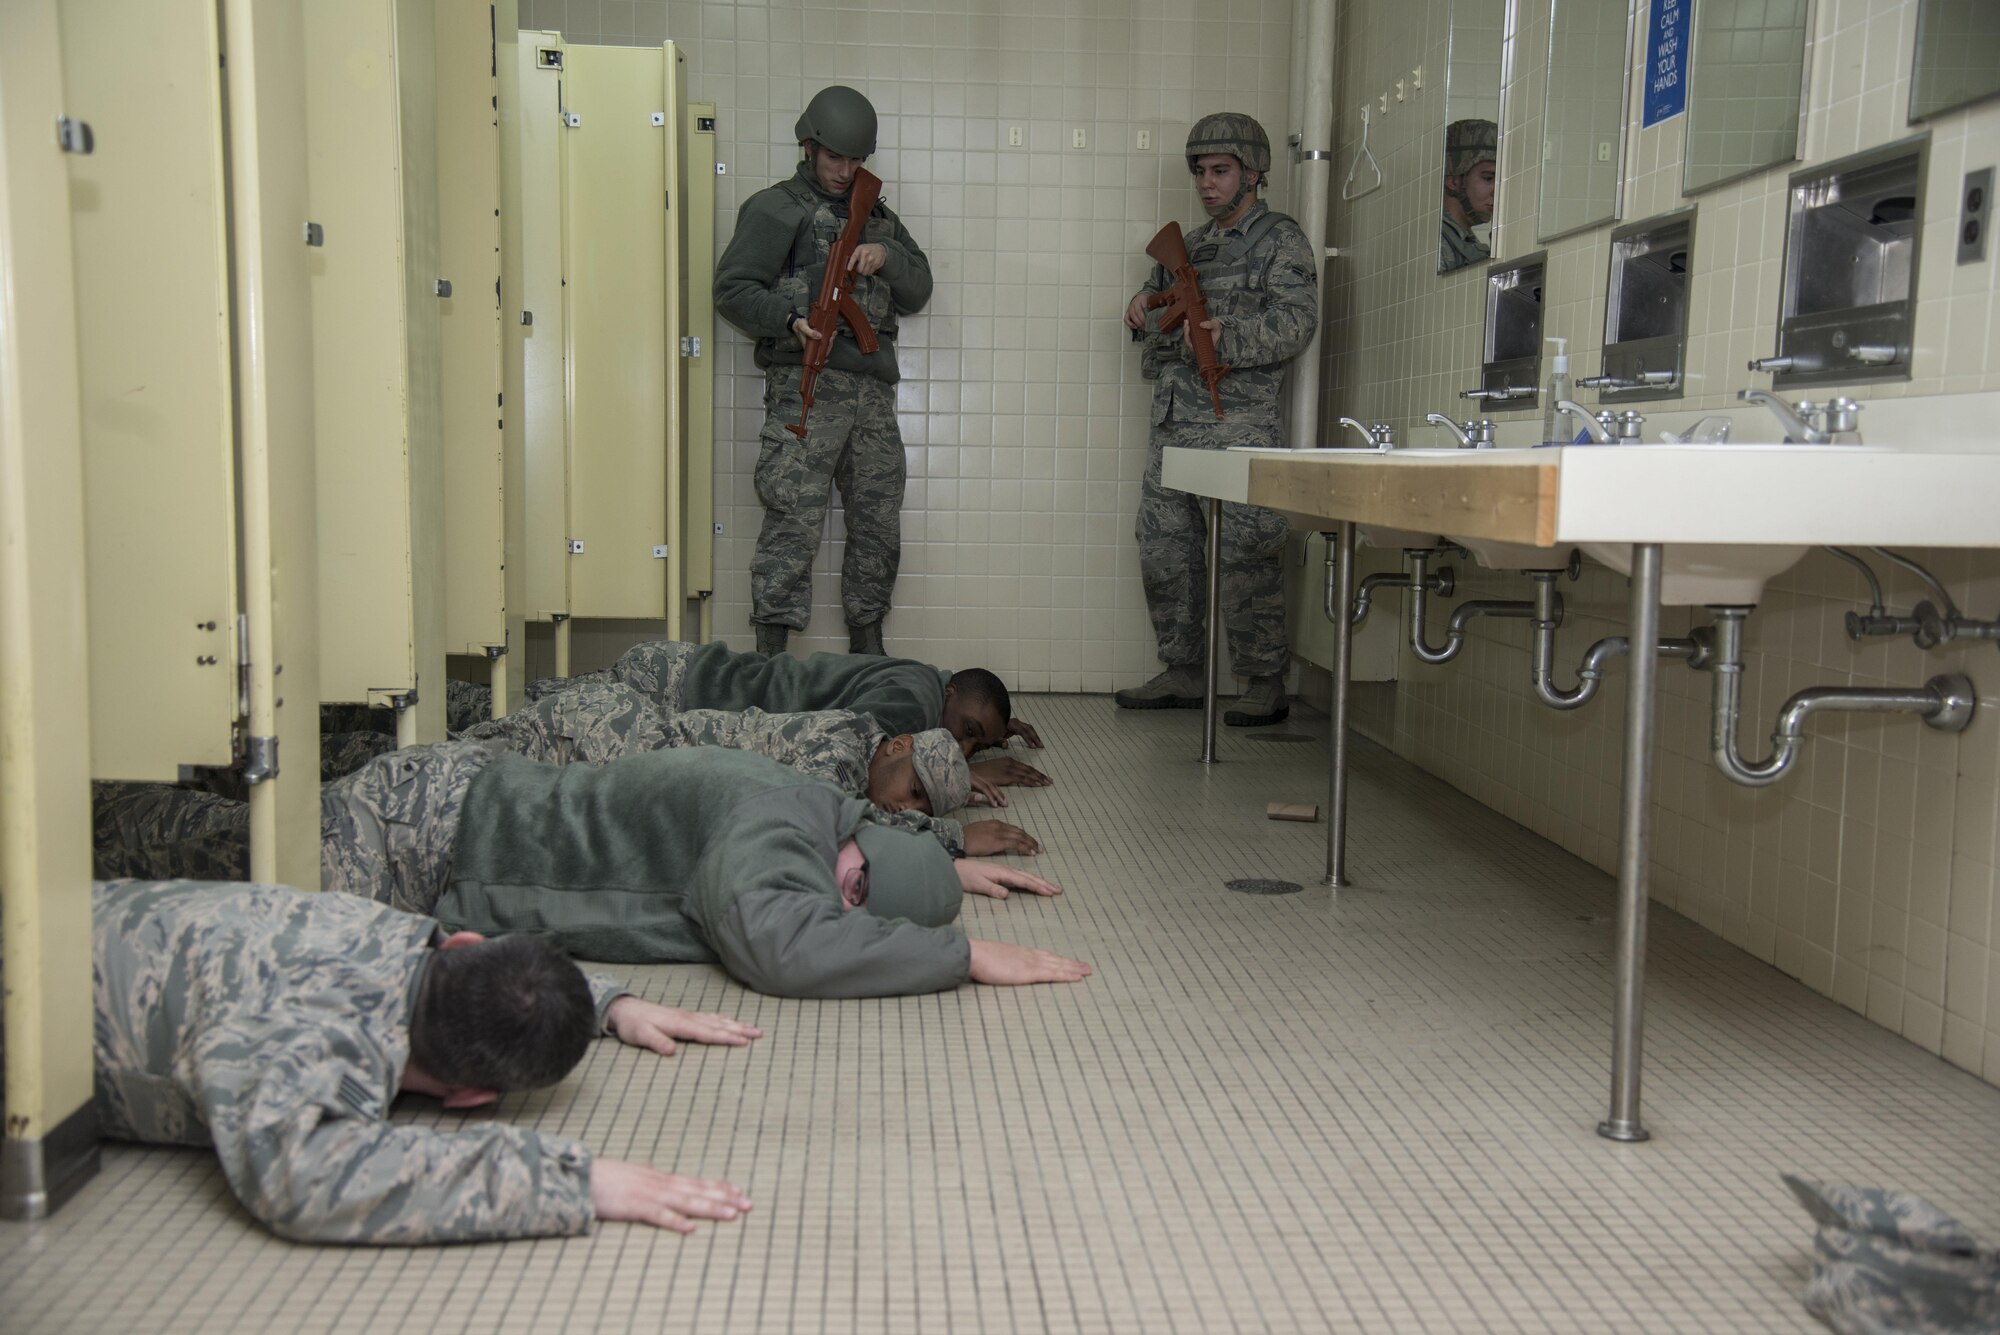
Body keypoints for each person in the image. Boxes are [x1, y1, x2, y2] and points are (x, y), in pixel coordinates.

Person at [62, 878, 759, 1243]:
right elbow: (302, 1178)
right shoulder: (312, 1048)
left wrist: (608, 1002)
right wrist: (577, 1180)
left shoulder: (370, 929)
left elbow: (495, 973)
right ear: (468, 1099)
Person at [93, 745, 1084, 998]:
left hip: (451, 835)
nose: (839, 900)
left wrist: (939, 875)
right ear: (862, 834)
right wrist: (957, 958)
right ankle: (65, 801)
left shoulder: (829, 828)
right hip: (425, 832)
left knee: (216, 854)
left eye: (860, 906)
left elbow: (831, 891)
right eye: (856, 883)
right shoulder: (772, 820)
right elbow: (773, 939)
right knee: (204, 850)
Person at [714, 85, 932, 659]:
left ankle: (869, 649)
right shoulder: (776, 207)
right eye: (835, 157)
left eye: (857, 161)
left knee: (878, 523)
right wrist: (787, 319)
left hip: (872, 395)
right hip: (806, 390)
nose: (845, 171)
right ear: (809, 147)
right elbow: (732, 290)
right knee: (793, 521)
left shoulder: (880, 218)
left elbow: (921, 288)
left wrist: (888, 256)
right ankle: (771, 657)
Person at [1116, 113, 1319, 727]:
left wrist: (1222, 338)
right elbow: (1154, 329)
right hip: (1177, 420)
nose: (1207, 184)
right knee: (1164, 546)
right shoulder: (1193, 247)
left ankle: (1263, 679)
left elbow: (1297, 323)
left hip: (1241, 424)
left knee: (1248, 552)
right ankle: (1182, 670)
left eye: (1221, 171)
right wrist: (1141, 309)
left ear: (1253, 174)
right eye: (1201, 172)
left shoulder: (1280, 240)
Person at [454, 679, 1043, 856]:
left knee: (461, 736)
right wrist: (952, 838)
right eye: (914, 790)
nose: (906, 806)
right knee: (448, 769)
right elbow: (833, 821)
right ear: (896, 748)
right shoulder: (837, 758)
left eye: (920, 806)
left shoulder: (864, 740)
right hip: (603, 739)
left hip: (616, 737)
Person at [1439, 118, 1497, 274]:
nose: (1496, 190)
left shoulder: (1463, 240)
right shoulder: (1436, 244)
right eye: (1488, 178)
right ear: (1453, 181)